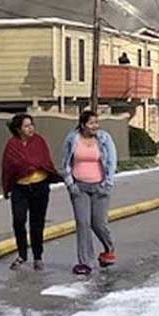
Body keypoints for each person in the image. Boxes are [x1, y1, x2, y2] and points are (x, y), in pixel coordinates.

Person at [1, 113, 63, 271]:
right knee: (19, 220)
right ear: (18, 129)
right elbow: (7, 168)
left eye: (31, 125)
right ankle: (22, 254)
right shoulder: (12, 145)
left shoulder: (39, 141)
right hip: (20, 188)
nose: (30, 128)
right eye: (26, 126)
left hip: (39, 187)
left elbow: (45, 161)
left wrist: (34, 166)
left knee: (37, 223)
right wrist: (7, 187)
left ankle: (38, 256)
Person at [62, 110, 118, 275]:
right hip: (79, 188)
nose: (95, 126)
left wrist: (107, 183)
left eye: (96, 123)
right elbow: (65, 162)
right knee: (83, 223)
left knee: (99, 223)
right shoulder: (73, 139)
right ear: (82, 124)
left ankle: (109, 249)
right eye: (91, 123)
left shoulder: (104, 138)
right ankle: (86, 262)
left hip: (100, 187)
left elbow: (111, 162)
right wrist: (70, 184)